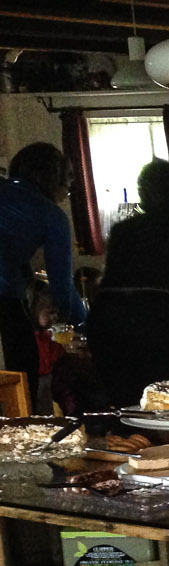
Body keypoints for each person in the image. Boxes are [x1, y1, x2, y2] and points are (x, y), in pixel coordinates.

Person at [84, 159, 169, 407]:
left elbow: (106, 280)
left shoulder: (122, 230)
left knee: (125, 406)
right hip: (156, 327)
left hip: (105, 324)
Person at [0, 142, 86, 403]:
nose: (66, 193)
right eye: (67, 185)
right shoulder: (52, 216)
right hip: (3, 298)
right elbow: (62, 287)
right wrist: (87, 325)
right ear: (54, 179)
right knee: (22, 378)